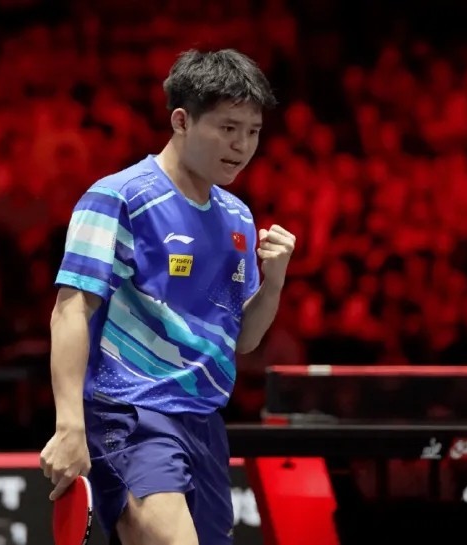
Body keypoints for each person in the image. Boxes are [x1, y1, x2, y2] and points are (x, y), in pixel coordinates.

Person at [39, 48, 294, 545]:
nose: (242, 145)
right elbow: (70, 311)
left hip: (204, 423)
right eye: (228, 128)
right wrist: (69, 425)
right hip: (130, 412)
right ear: (181, 120)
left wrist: (275, 281)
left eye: (253, 131)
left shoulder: (238, 218)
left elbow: (243, 340)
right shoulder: (119, 198)